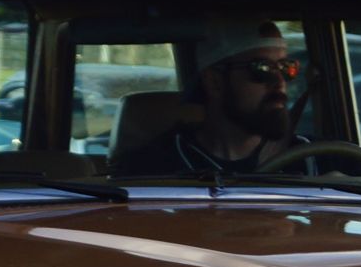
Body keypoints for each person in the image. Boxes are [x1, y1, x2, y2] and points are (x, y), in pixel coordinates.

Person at [120, 18, 308, 175]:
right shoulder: (154, 168)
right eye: (262, 68)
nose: (279, 82)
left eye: (285, 68)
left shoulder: (309, 157)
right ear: (214, 81)